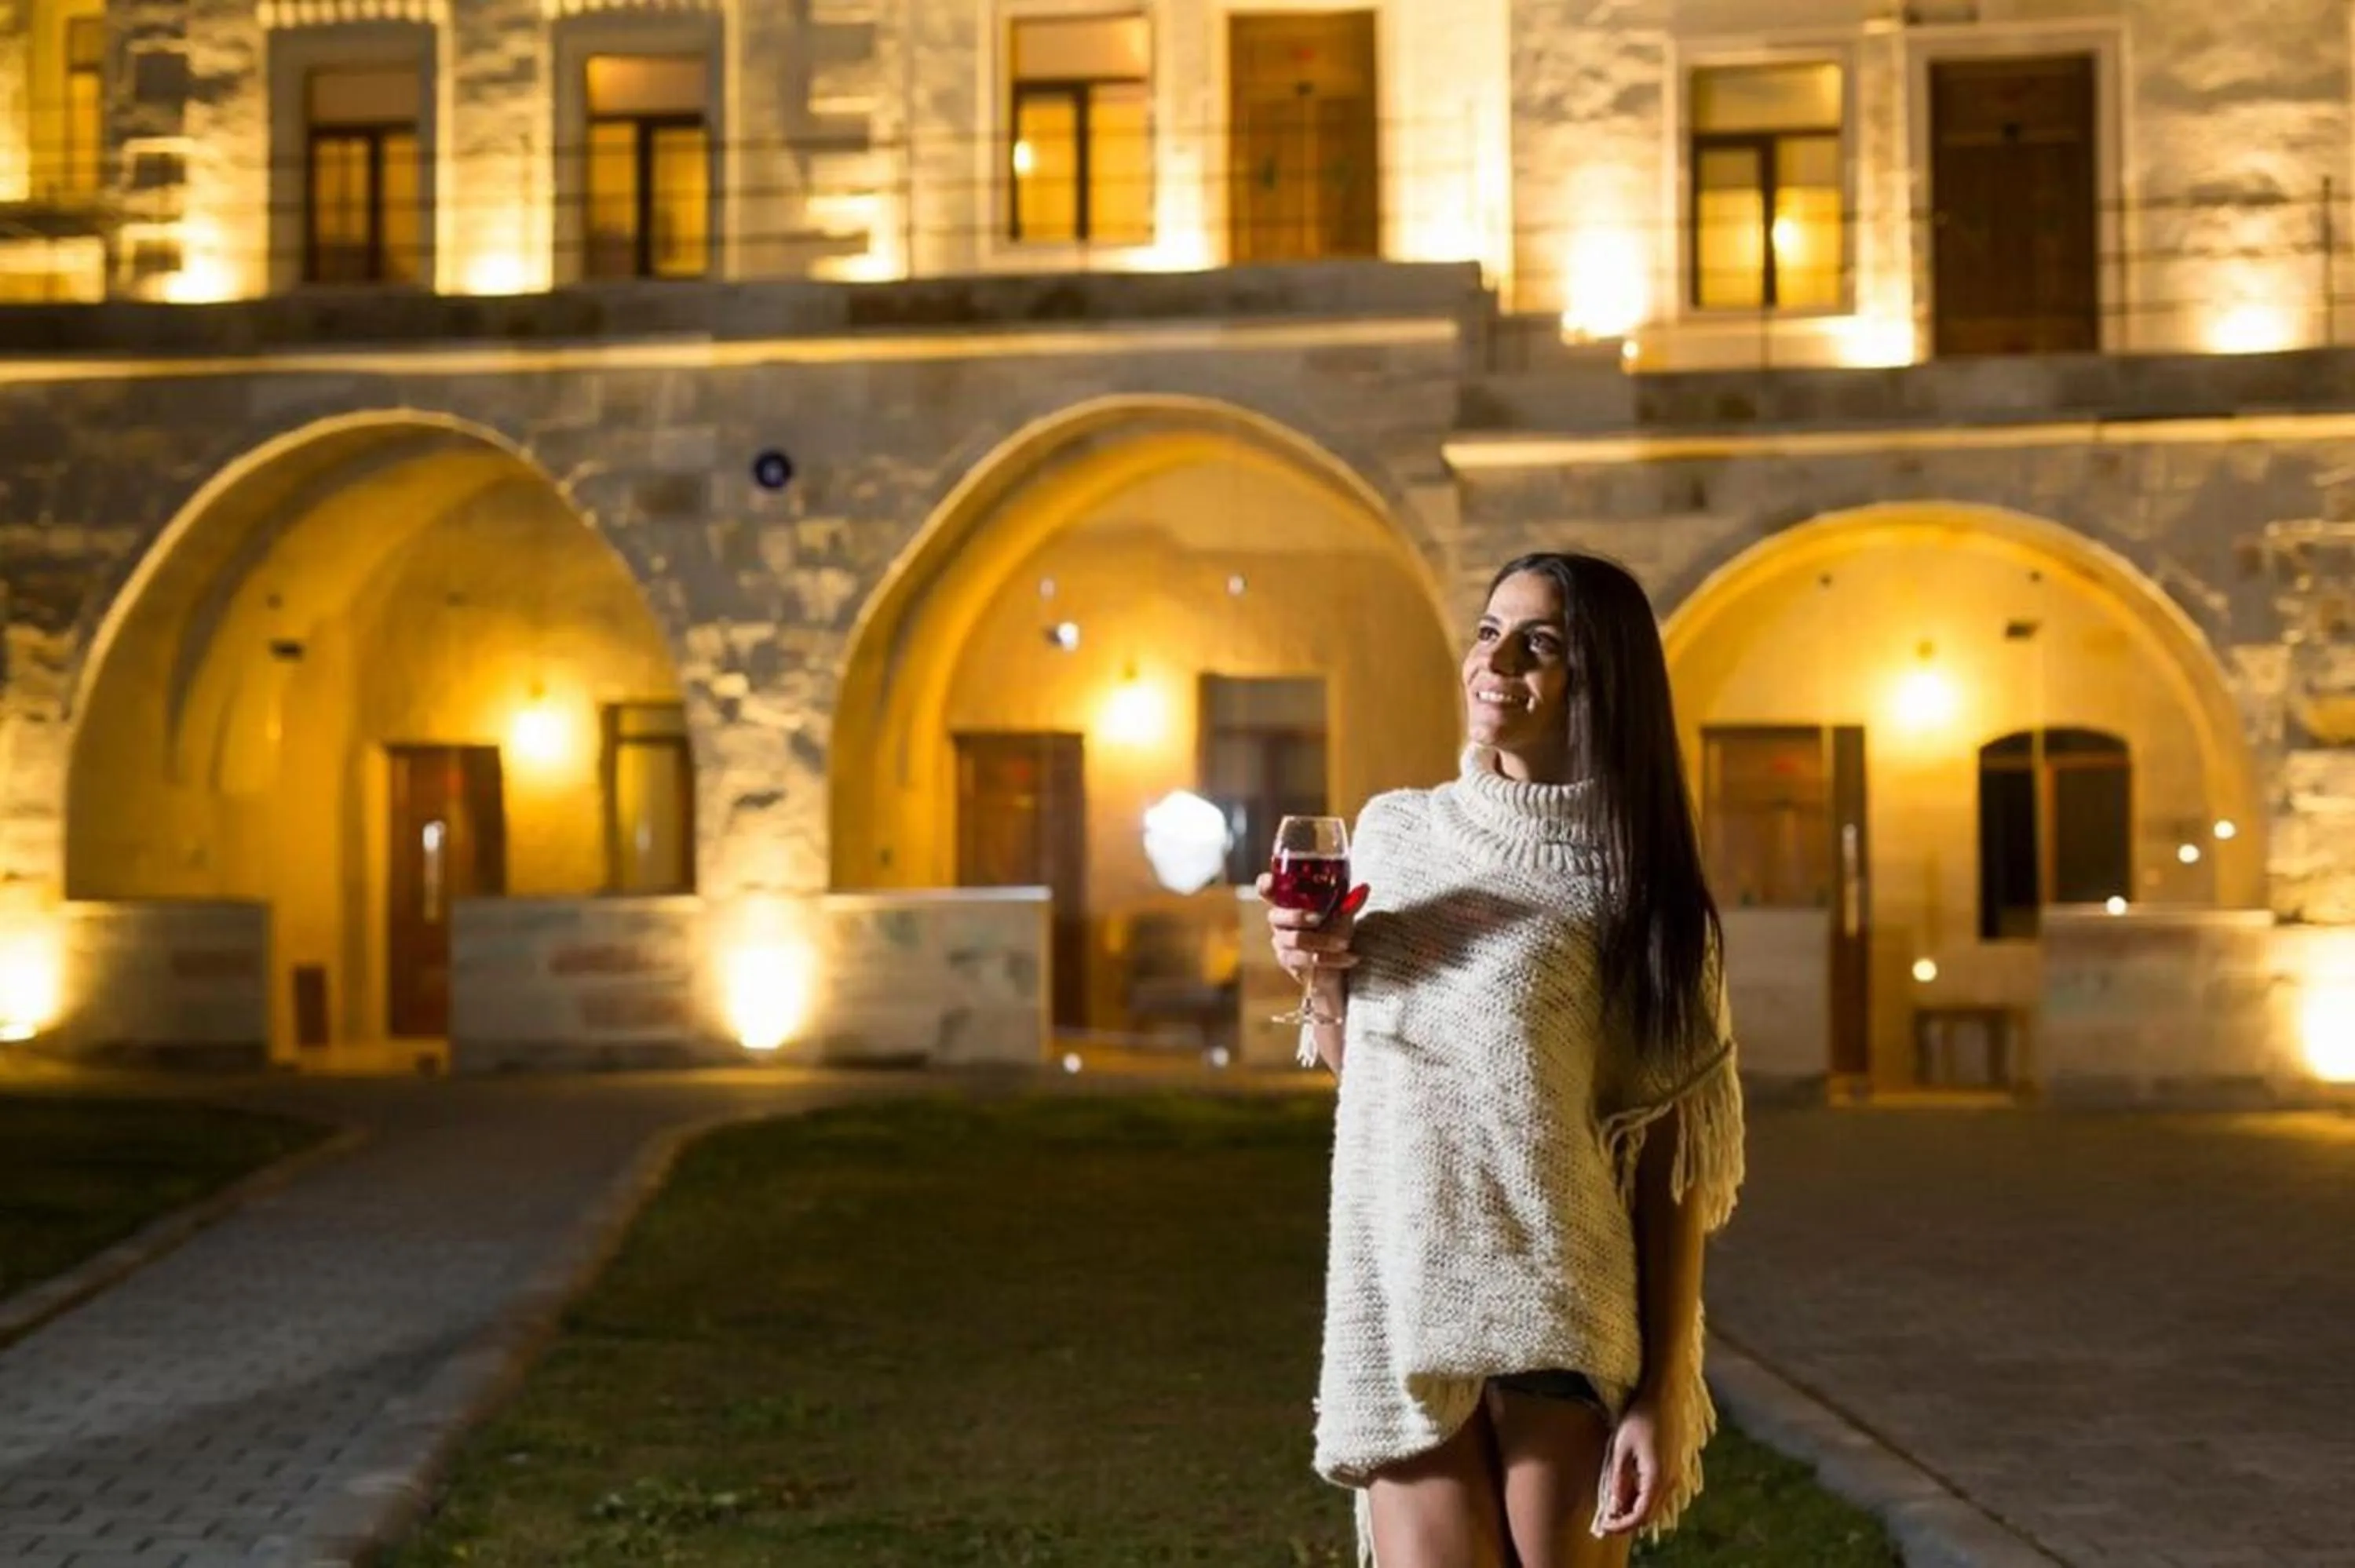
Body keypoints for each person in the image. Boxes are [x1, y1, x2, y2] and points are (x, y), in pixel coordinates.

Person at [1263, 551, 1746, 1568]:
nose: (1498, 659)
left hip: (1556, 1308)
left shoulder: (1640, 893)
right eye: (1489, 630)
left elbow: (1670, 1165)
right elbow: (1377, 1084)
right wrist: (1316, 976)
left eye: (1542, 643)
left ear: (1598, 678)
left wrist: (1663, 1389)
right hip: (1397, 1298)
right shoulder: (1396, 833)